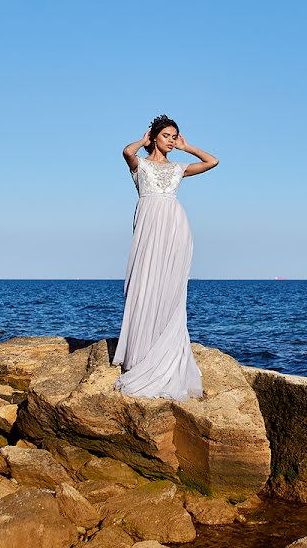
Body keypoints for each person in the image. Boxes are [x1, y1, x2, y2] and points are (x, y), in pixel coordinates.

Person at [111, 114, 219, 401]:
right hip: (148, 225)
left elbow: (212, 161)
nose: (171, 140)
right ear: (154, 136)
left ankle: (165, 348)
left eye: (175, 136)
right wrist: (142, 140)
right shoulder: (140, 165)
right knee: (143, 283)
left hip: (174, 226)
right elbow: (126, 152)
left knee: (170, 287)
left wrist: (188, 147)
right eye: (168, 135)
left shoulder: (178, 168)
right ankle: (141, 352)